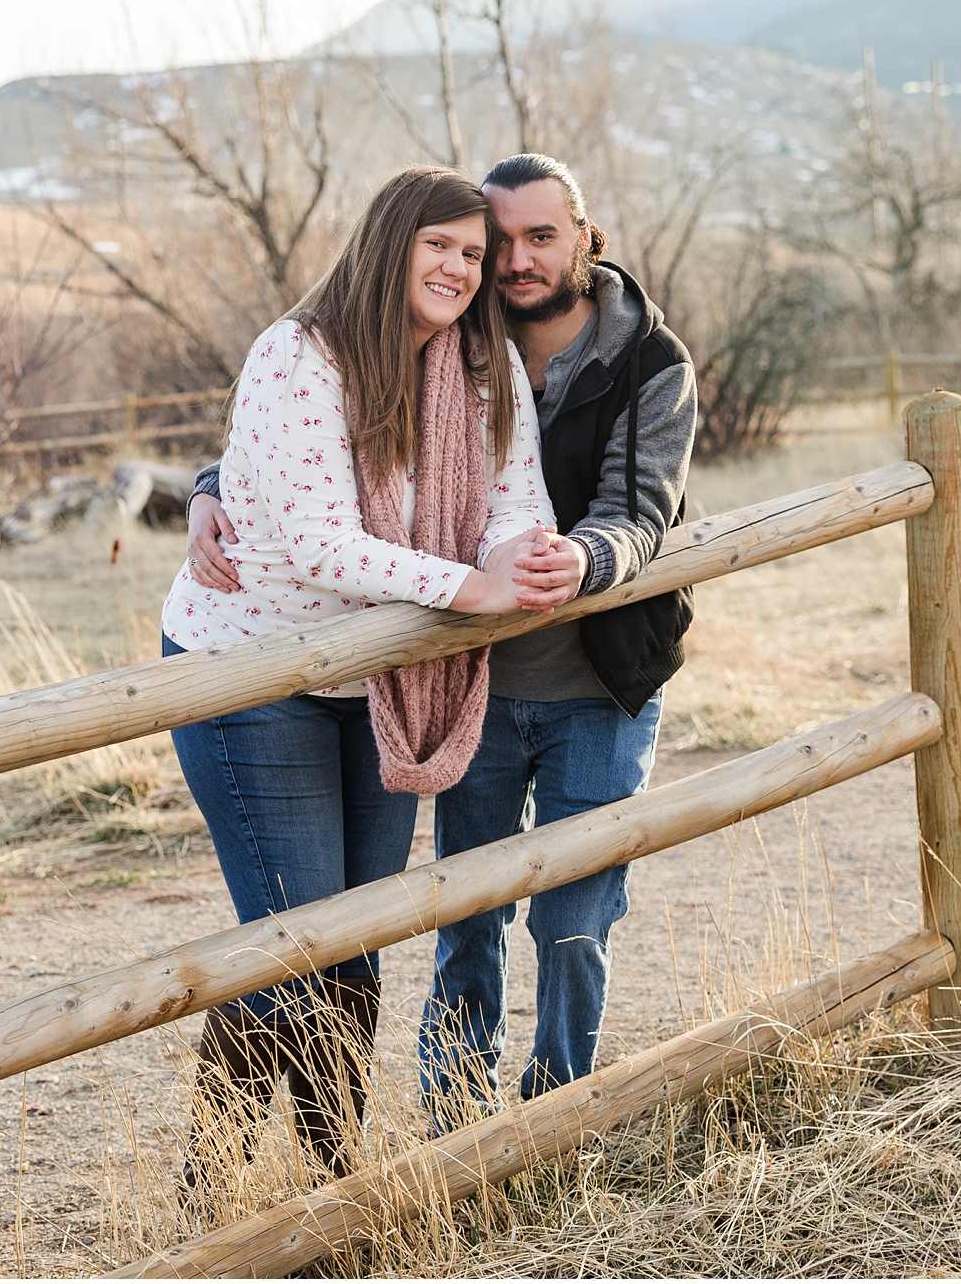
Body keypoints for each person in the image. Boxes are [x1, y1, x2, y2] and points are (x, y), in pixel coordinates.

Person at [186, 152, 697, 1121]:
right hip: (407, 669)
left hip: (551, 670)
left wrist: (567, 558)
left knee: (536, 919)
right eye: (476, 243)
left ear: (586, 237)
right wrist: (209, 488)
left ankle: (547, 1118)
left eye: (530, 238)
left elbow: (610, 504)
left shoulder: (628, 359)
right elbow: (295, 462)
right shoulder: (434, 332)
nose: (500, 261)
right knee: (374, 926)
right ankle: (354, 1155)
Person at [160, 165, 581, 1188]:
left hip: (381, 679)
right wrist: (469, 589)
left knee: (353, 942)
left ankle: (333, 1190)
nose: (458, 268)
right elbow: (310, 537)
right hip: (253, 672)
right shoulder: (298, 355)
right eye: (438, 244)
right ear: (388, 241)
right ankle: (228, 1188)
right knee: (292, 937)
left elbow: (513, 494)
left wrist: (523, 555)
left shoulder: (480, 365)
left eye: (472, 254)